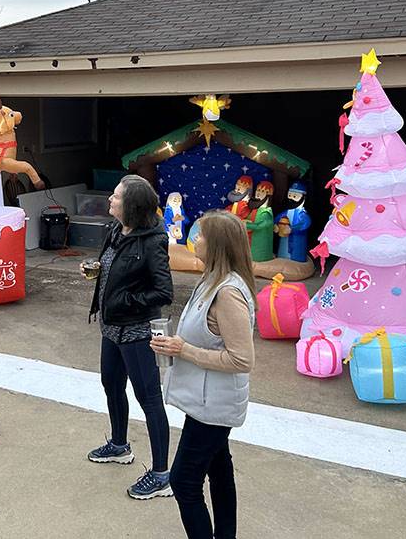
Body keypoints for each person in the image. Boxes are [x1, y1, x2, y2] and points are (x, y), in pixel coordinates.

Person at [152, 210, 256, 539]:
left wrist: (185, 350)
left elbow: (242, 359)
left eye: (200, 236)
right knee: (219, 467)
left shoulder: (227, 294)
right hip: (207, 399)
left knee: (183, 481)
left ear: (217, 246)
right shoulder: (212, 279)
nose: (194, 240)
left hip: (214, 405)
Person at [84, 174, 174, 499]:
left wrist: (126, 301)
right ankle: (120, 446)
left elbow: (164, 291)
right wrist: (98, 270)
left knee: (149, 399)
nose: (110, 199)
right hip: (111, 328)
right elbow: (114, 268)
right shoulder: (115, 230)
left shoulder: (152, 240)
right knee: (111, 383)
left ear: (132, 206)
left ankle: (162, 475)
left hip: (136, 331)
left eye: (116, 197)